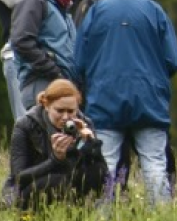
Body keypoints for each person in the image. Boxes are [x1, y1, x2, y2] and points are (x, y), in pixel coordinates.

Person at [74, 0, 177, 206]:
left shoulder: (96, 10)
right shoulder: (155, 11)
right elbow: (174, 60)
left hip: (104, 100)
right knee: (155, 164)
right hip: (149, 101)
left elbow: (79, 60)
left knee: (107, 165)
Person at [9, 79, 108, 212]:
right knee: (56, 181)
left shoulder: (84, 124)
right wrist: (55, 160)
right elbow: (18, 177)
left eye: (71, 111)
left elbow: (101, 173)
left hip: (73, 188)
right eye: (60, 111)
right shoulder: (25, 125)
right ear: (47, 105)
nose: (65, 117)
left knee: (96, 172)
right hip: (34, 191)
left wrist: (91, 145)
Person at [10, 0, 87, 109]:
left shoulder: (61, 7)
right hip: (41, 84)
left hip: (55, 86)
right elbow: (21, 41)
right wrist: (55, 71)